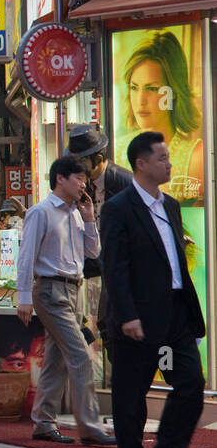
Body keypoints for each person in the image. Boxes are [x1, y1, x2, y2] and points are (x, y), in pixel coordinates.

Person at [101, 131, 207, 448]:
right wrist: (127, 315)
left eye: (168, 157)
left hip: (175, 313)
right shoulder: (118, 208)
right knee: (132, 394)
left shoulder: (171, 206)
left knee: (191, 382)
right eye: (162, 158)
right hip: (138, 318)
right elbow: (114, 266)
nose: (169, 163)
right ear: (141, 163)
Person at [15, 156, 116, 446]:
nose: (84, 183)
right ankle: (90, 426)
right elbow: (26, 257)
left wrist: (88, 218)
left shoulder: (76, 211)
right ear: (60, 178)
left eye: (84, 179)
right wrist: (24, 298)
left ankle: (44, 422)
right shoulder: (41, 211)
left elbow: (93, 252)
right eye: (78, 178)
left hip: (73, 290)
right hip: (49, 291)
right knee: (81, 356)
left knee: (56, 360)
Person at [65, 123, 131, 344]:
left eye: (82, 161)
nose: (77, 168)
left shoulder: (123, 181)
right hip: (90, 259)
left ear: (99, 157)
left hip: (120, 259)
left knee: (111, 319)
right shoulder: (80, 185)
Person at [119, 30, 203, 201]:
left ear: (172, 91)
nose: (140, 100)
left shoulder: (194, 158)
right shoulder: (117, 149)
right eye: (134, 88)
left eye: (151, 89)